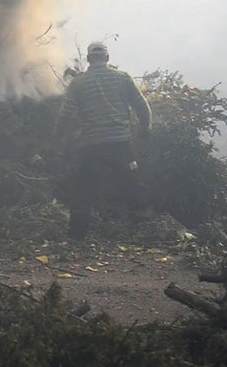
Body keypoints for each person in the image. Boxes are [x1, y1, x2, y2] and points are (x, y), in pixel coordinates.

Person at [53, 41, 152, 240]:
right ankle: (143, 231)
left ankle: (76, 235)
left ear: (89, 59)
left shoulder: (78, 83)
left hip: (90, 146)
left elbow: (65, 114)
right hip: (120, 144)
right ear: (107, 58)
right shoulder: (123, 78)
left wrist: (57, 136)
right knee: (132, 185)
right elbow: (142, 107)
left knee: (83, 190)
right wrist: (145, 128)